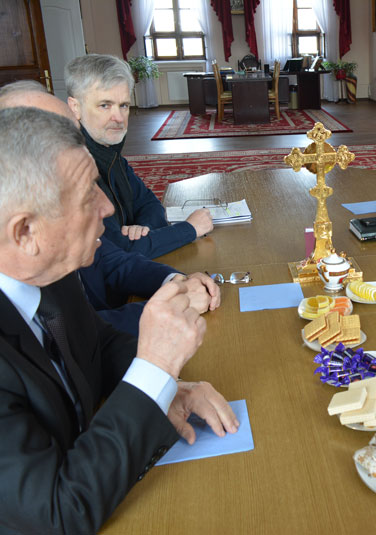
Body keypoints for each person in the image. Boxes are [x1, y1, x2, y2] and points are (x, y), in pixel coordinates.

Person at [0, 107, 239, 533]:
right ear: (25, 233)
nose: (108, 207)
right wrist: (154, 369)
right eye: (86, 197)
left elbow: (99, 344)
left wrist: (169, 388)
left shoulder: (51, 274)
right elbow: (60, 515)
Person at [0, 80, 221, 336]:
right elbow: (77, 338)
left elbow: (112, 260)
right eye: (105, 105)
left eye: (123, 105)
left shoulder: (104, 159)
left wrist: (175, 284)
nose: (106, 208)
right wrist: (173, 307)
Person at [65, 54, 214, 259]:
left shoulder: (111, 155)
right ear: (75, 108)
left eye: (123, 105)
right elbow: (118, 252)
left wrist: (143, 229)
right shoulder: (74, 171)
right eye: (104, 105)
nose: (118, 118)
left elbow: (150, 204)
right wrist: (190, 228)